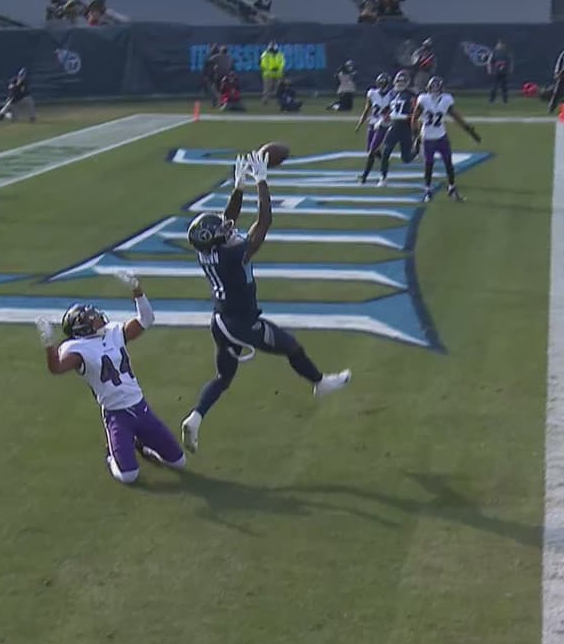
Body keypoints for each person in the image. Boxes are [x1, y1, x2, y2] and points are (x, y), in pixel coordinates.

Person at [180, 152, 352, 453]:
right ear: (216, 239)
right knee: (292, 347)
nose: (227, 227)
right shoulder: (234, 254)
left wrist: (238, 186)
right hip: (241, 323)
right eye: (221, 230)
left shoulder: (207, 251)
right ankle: (319, 382)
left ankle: (195, 417)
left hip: (220, 321)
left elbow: (227, 220)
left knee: (223, 377)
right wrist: (261, 181)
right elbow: (264, 221)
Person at [33, 272, 186, 485]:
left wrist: (137, 289)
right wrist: (49, 345)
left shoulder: (113, 332)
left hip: (140, 406)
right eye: (91, 317)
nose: (97, 316)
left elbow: (146, 319)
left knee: (179, 462)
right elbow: (56, 368)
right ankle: (111, 456)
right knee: (129, 476)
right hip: (116, 415)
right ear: (82, 327)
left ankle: (141, 444)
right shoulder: (77, 349)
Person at [410, 76, 482, 203]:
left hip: (441, 136)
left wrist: (469, 130)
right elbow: (414, 118)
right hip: (428, 137)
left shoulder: (446, 99)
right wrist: (416, 137)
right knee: (429, 165)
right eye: (433, 87)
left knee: (448, 163)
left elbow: (455, 116)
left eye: (436, 87)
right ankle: (427, 190)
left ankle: (452, 189)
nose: (434, 90)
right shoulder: (423, 99)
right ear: (428, 87)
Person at [365, 70, 417, 186]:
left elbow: (416, 112)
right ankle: (383, 178)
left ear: (407, 82)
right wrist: (383, 120)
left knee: (406, 158)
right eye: (398, 81)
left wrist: (409, 119)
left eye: (402, 81)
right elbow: (388, 109)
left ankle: (417, 149)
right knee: (385, 152)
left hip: (405, 128)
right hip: (393, 126)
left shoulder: (411, 95)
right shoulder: (392, 93)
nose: (400, 83)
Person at [354, 72, 391, 180]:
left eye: (383, 83)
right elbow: (367, 109)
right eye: (380, 83)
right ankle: (384, 161)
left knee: (372, 151)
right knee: (370, 150)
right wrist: (360, 123)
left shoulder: (391, 95)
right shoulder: (372, 93)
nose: (381, 85)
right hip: (372, 123)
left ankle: (365, 176)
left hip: (383, 124)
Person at [259, 41, 285, 106]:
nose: (273, 47)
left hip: (278, 73)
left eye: (274, 46)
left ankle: (279, 100)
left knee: (279, 88)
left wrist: (279, 68)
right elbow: (263, 63)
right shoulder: (265, 54)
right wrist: (271, 68)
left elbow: (282, 62)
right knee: (267, 88)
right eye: (271, 46)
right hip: (268, 74)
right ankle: (265, 100)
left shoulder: (280, 54)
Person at [487, 39, 513, 104]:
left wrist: (510, 69)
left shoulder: (506, 53)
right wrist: (489, 69)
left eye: (501, 44)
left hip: (503, 72)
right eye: (499, 44)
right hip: (497, 72)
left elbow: (510, 61)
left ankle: (505, 100)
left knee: (504, 87)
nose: (500, 46)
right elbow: (490, 62)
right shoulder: (494, 53)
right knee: (495, 86)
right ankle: (492, 99)